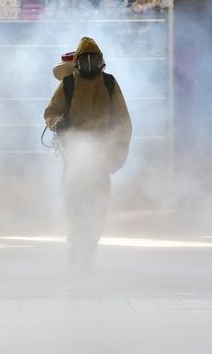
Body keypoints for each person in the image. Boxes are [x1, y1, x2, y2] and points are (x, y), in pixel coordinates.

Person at [44, 37, 133, 268]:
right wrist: (58, 123)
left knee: (97, 206)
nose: (90, 63)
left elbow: (122, 123)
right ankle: (76, 246)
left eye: (94, 59)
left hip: (101, 160)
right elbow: (51, 111)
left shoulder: (110, 84)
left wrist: (118, 156)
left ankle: (89, 250)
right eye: (86, 59)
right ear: (78, 62)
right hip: (74, 158)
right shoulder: (68, 85)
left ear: (102, 62)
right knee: (74, 203)